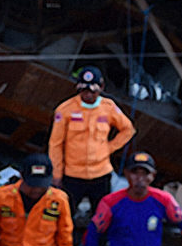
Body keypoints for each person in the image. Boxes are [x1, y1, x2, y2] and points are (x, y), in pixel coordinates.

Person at [47, 66, 136, 222]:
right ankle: (68, 245)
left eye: (92, 91)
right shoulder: (65, 109)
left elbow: (127, 130)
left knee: (102, 216)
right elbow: (55, 144)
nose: (88, 95)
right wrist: (56, 174)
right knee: (65, 216)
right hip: (73, 175)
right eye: (84, 91)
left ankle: (98, 245)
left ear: (101, 88)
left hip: (100, 174)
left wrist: (108, 148)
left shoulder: (108, 108)